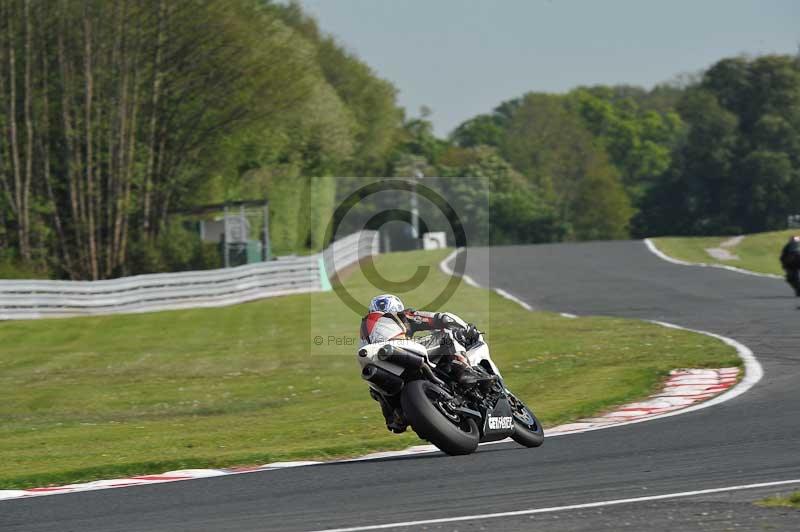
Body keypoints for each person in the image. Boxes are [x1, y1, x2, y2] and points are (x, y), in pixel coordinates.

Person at [360, 294, 483, 433]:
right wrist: (464, 328)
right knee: (448, 337)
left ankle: (394, 416)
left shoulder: (365, 329)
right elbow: (442, 318)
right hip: (400, 350)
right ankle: (464, 369)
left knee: (375, 388)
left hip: (381, 364)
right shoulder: (402, 316)